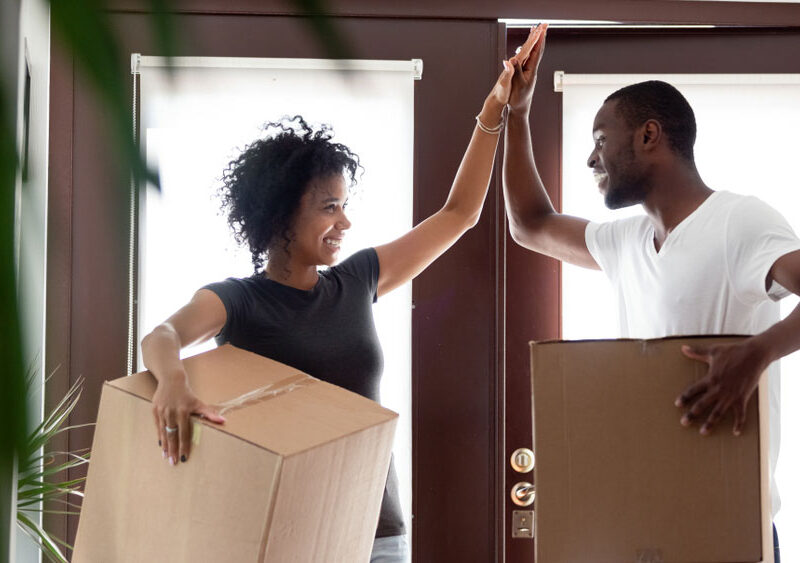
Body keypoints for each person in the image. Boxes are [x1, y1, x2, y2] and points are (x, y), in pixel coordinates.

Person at [140, 25, 545, 563]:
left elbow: (459, 214)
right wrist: (172, 381)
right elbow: (162, 335)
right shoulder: (238, 301)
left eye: (344, 205)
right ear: (281, 214)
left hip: (379, 532)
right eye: (329, 207)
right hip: (283, 533)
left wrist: (496, 107)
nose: (345, 221)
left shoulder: (357, 279)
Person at [503, 25, 800, 562]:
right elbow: (530, 224)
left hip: (732, 529)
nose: (591, 160)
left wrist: (758, 352)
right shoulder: (627, 242)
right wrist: (517, 113)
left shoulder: (739, 222)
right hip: (647, 528)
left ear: (649, 135)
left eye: (601, 140)